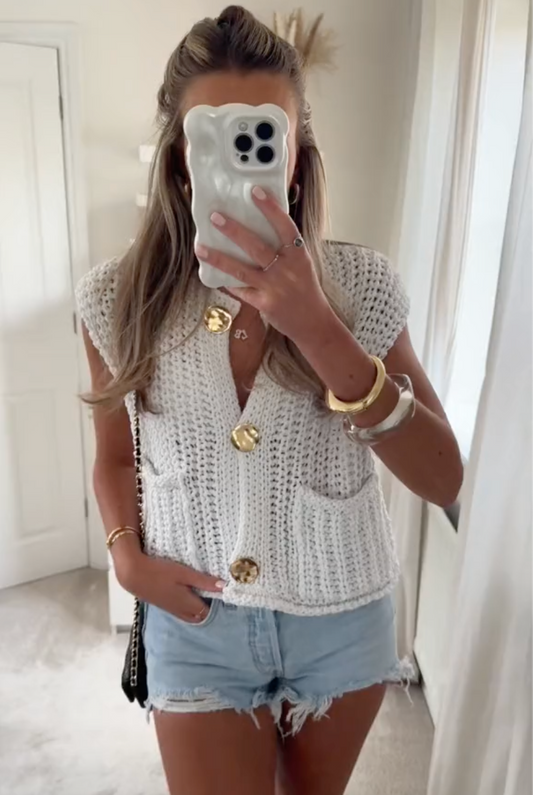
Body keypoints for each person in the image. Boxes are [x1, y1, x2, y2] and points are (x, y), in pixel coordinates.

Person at [77, 6, 463, 795]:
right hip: (196, 622)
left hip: (341, 614)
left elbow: (443, 475)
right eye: (210, 136)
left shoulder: (359, 286)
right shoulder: (116, 299)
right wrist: (124, 556)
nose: (238, 157)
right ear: (180, 159)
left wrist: (317, 328)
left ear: (295, 156)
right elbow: (115, 456)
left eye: (261, 134)